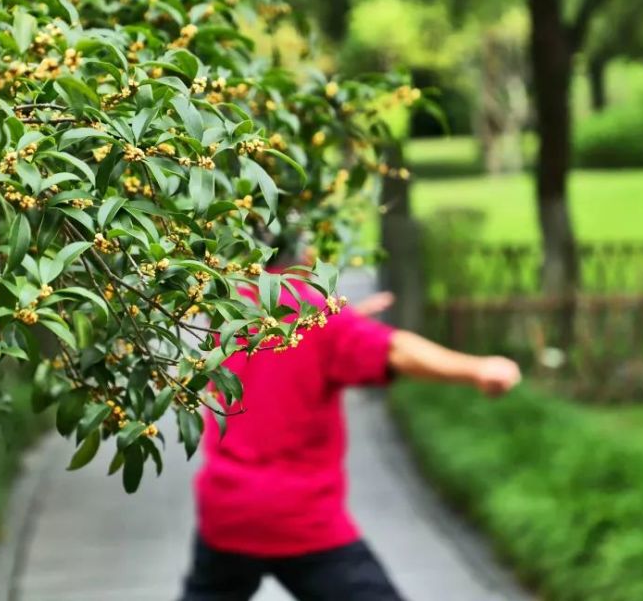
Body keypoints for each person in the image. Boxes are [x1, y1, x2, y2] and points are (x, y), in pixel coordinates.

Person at [179, 243, 521, 601]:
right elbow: (394, 350)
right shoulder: (319, 317)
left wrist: (345, 324)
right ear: (300, 250)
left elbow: (282, 346)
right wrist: (477, 369)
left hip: (227, 511)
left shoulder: (228, 306)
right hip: (300, 517)